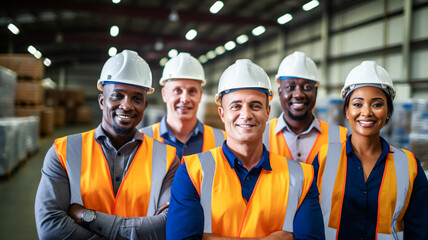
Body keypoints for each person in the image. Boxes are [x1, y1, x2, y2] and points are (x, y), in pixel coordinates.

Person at [166, 59, 325, 239]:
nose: (246, 115)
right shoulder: (191, 172)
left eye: (255, 106)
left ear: (267, 112)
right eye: (236, 106)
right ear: (222, 114)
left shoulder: (302, 177)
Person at [35, 50, 180, 239]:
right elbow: (50, 227)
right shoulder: (63, 152)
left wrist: (88, 216)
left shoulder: (167, 158)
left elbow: (168, 225)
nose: (126, 105)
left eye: (136, 98)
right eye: (117, 96)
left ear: (144, 105)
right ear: (102, 101)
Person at [312, 61, 428, 239]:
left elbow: (419, 230)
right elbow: (309, 220)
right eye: (358, 104)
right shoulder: (324, 158)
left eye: (377, 104)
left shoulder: (409, 165)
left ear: (388, 111)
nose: (366, 112)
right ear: (347, 111)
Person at [263, 51, 347, 164]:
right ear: (280, 92)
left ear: (316, 92)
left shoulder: (340, 137)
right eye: (290, 87)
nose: (298, 95)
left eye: (307, 87)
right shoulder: (261, 135)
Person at [140, 52, 225, 160]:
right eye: (177, 90)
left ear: (200, 95)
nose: (185, 99)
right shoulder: (142, 140)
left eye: (192, 91)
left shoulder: (223, 141)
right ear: (164, 94)